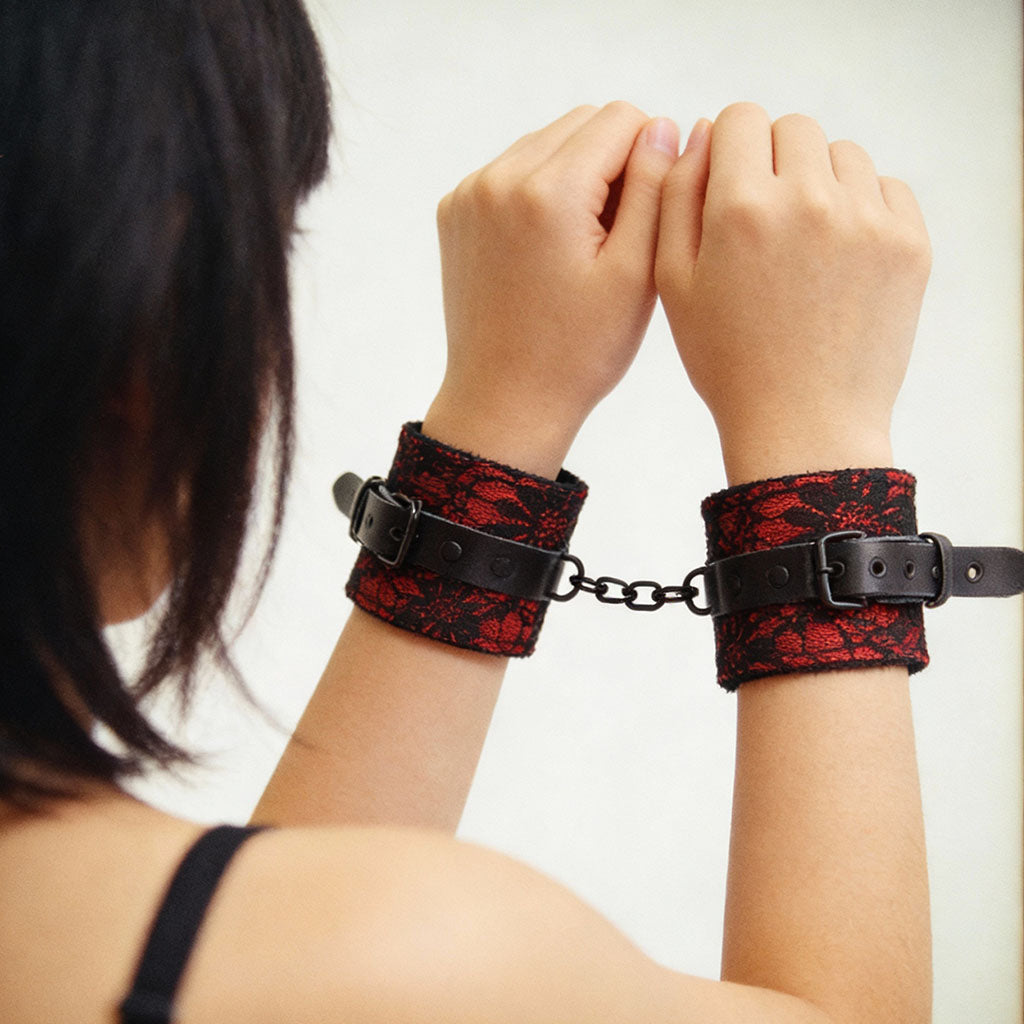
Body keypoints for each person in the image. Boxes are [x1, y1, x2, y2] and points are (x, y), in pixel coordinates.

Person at [0, 2, 934, 1022]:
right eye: (269, 245)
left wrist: (501, 418)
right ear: (148, 328)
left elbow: (292, 939)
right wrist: (817, 438)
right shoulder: (440, 956)